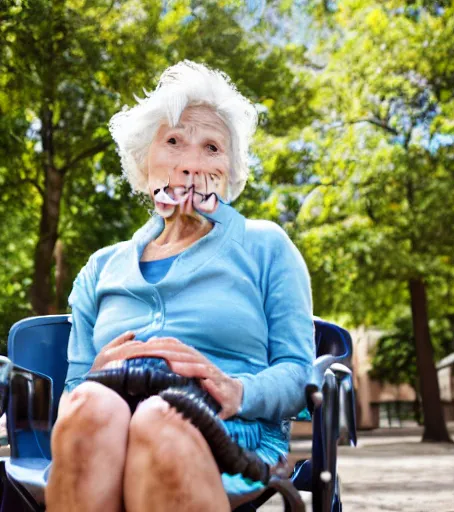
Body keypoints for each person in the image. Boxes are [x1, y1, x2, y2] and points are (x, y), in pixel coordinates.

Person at [46, 60, 314, 512]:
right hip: (110, 420)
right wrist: (92, 376)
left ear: (229, 173)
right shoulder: (100, 267)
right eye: (173, 141)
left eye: (211, 147)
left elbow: (298, 372)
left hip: (230, 431)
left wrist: (237, 390)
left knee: (161, 418)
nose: (191, 163)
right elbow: (72, 391)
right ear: (143, 162)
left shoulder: (265, 245)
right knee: (89, 408)